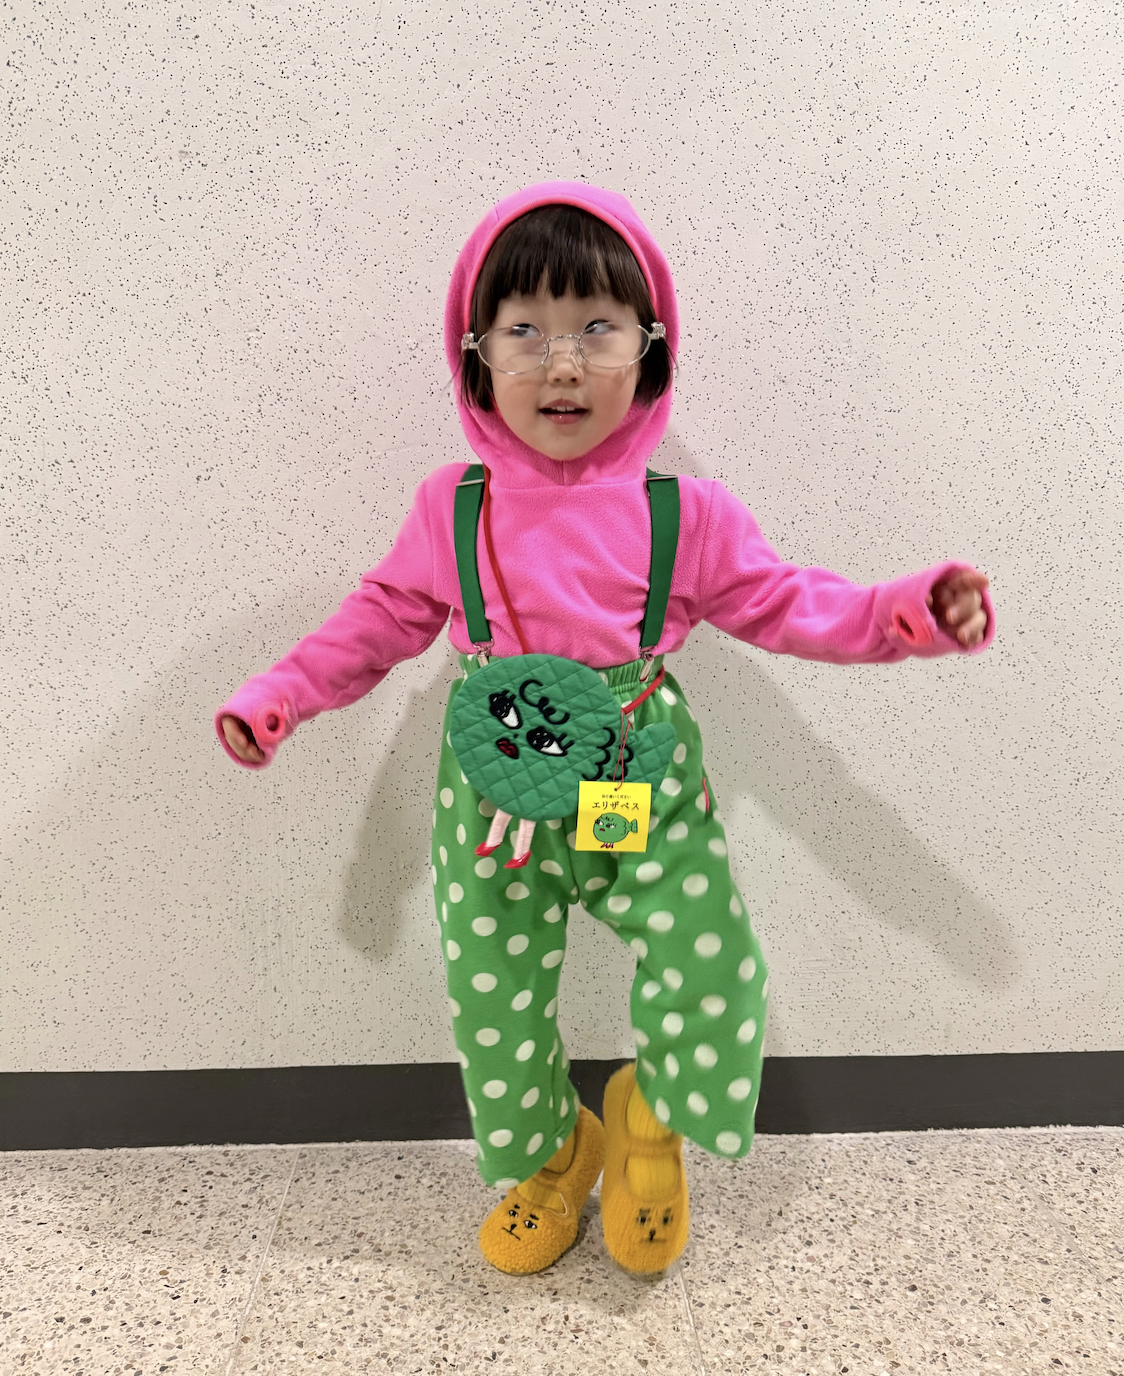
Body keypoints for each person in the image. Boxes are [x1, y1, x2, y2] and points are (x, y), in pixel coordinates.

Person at [216, 182, 993, 1277]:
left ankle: (647, 1120)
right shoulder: (451, 507)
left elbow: (789, 603)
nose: (563, 363)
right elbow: (379, 618)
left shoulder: (688, 515)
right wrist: (282, 693)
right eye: (523, 331)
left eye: (596, 327)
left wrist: (902, 614)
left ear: (650, 348)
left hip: (637, 776)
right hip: (493, 796)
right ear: (474, 354)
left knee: (711, 968)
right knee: (490, 998)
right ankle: (553, 1153)